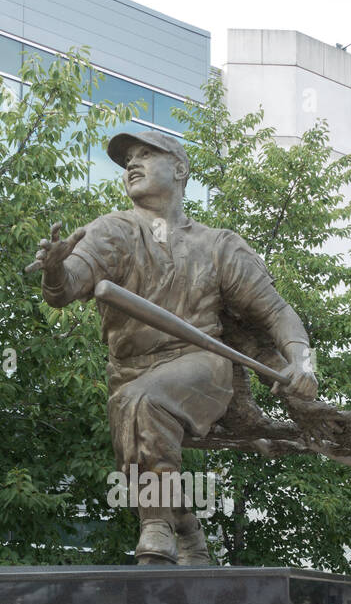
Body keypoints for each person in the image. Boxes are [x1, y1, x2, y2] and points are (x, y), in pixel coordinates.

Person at [28, 129, 318, 565]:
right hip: (130, 371)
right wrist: (53, 270)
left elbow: (277, 313)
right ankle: (188, 530)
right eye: (128, 159)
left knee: (144, 403)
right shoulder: (112, 231)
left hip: (202, 363)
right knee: (138, 430)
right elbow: (66, 288)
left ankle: (156, 525)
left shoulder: (218, 245)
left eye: (146, 154)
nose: (132, 164)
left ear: (180, 169)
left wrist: (303, 363)